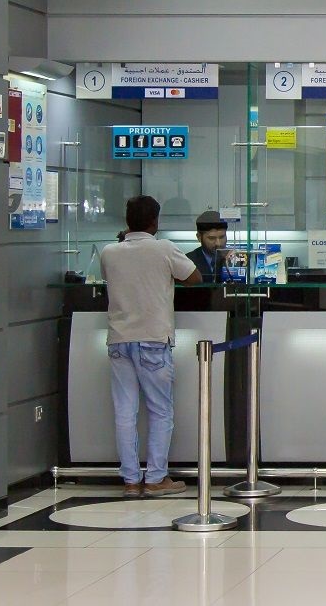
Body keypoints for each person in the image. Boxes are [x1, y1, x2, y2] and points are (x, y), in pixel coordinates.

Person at [99, 195, 202, 498]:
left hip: (119, 339)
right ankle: (156, 478)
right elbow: (194, 278)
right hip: (153, 340)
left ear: (126, 220)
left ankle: (131, 481)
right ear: (155, 221)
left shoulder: (109, 252)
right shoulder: (164, 248)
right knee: (160, 411)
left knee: (124, 412)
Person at [186, 209, 228, 282]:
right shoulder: (187, 261)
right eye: (212, 238)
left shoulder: (235, 258)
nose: (218, 243)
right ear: (199, 237)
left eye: (222, 237)